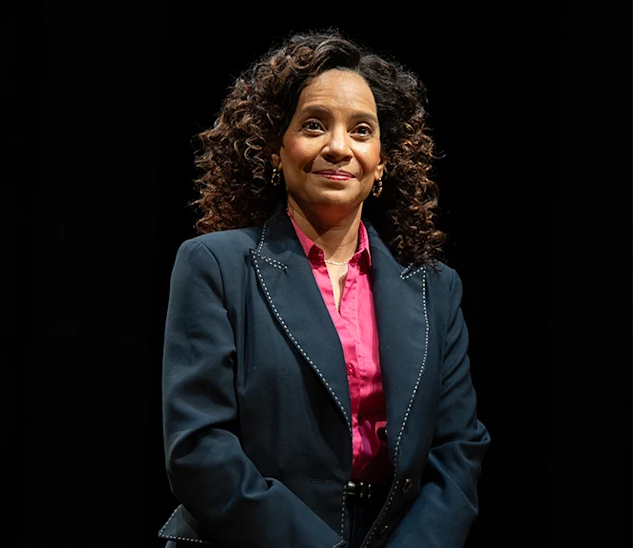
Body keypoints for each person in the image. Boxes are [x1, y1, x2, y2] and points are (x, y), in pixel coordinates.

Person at [158, 31, 489, 548]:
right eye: (314, 125)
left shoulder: (435, 289)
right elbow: (199, 449)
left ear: (382, 161)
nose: (339, 147)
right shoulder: (215, 266)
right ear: (275, 147)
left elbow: (458, 452)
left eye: (362, 131)